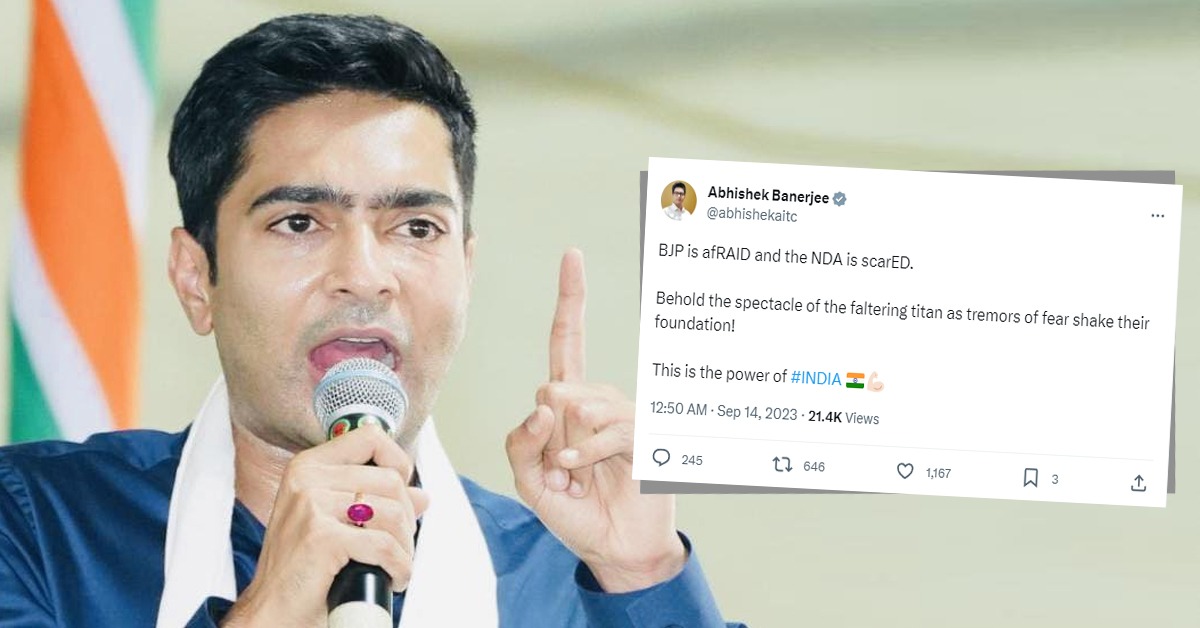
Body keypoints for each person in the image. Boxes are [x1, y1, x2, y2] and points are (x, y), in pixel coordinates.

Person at [0, 13, 744, 628]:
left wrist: (645, 576)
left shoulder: (570, 583)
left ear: (466, 271)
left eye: (416, 228)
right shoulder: (37, 530)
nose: (364, 275)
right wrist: (270, 610)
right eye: (299, 222)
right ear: (197, 280)